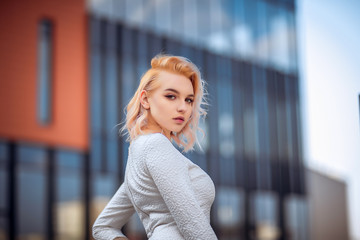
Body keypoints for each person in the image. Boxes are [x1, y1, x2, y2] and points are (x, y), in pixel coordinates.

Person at [92, 54, 218, 240]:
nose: (183, 107)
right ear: (145, 100)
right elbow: (194, 227)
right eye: (171, 96)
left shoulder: (140, 151)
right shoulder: (155, 146)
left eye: (188, 100)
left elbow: (103, 227)